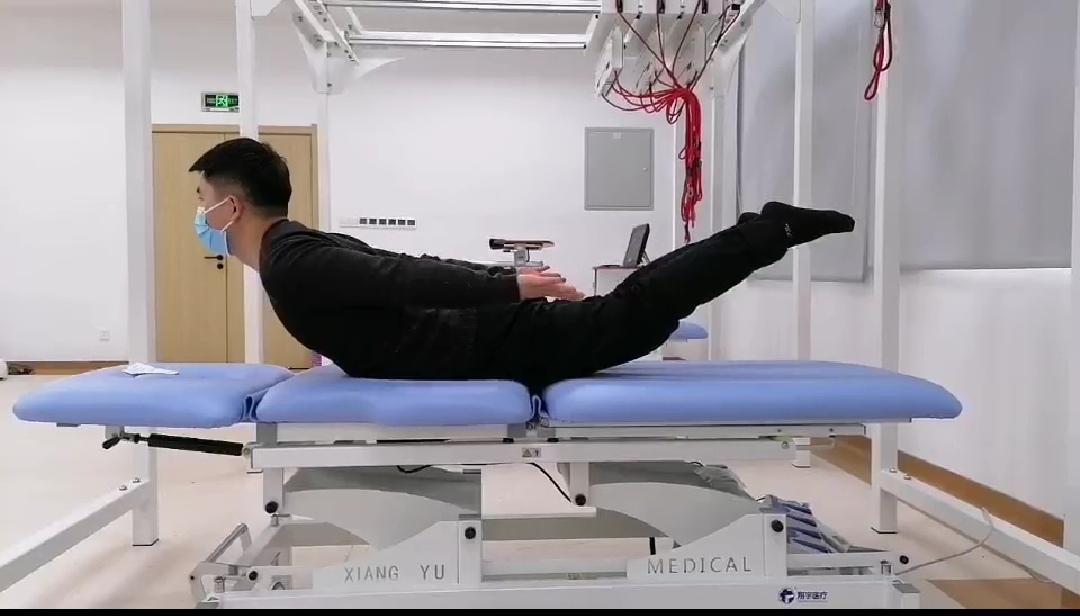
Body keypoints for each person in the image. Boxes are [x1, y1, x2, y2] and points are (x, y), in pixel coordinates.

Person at [189, 138, 854, 389]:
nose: (199, 215)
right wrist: (506, 283)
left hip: (484, 342)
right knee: (634, 309)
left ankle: (768, 231)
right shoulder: (297, 248)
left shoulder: (293, 262)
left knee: (637, 315)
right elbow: (405, 268)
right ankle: (760, 230)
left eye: (201, 200)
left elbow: (404, 273)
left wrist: (509, 286)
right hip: (479, 337)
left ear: (231, 207)